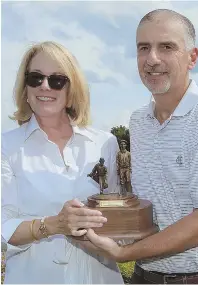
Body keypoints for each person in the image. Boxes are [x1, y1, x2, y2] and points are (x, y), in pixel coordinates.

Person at [81, 9, 198, 284]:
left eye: (166, 47)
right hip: (144, 277)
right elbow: (150, 205)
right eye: (143, 48)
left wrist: (126, 253)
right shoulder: (139, 121)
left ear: (192, 57)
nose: (152, 59)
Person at [1, 41, 123, 284]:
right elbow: (4, 228)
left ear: (72, 89)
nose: (44, 86)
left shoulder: (105, 143)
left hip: (99, 277)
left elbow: (119, 215)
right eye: (35, 78)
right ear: (25, 87)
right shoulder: (6, 147)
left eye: (57, 80)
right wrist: (55, 225)